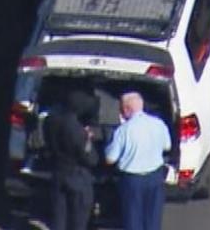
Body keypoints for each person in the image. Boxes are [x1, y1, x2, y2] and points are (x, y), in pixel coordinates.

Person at [104, 92, 171, 230]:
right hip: (155, 177)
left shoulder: (123, 131)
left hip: (132, 181)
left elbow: (110, 159)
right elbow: (167, 146)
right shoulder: (158, 124)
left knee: (133, 221)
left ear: (127, 109)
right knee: (153, 221)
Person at [43, 90, 101, 230]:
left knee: (58, 217)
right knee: (78, 220)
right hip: (77, 176)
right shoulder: (75, 129)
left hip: (58, 171)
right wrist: (88, 139)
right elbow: (91, 159)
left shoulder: (50, 120)